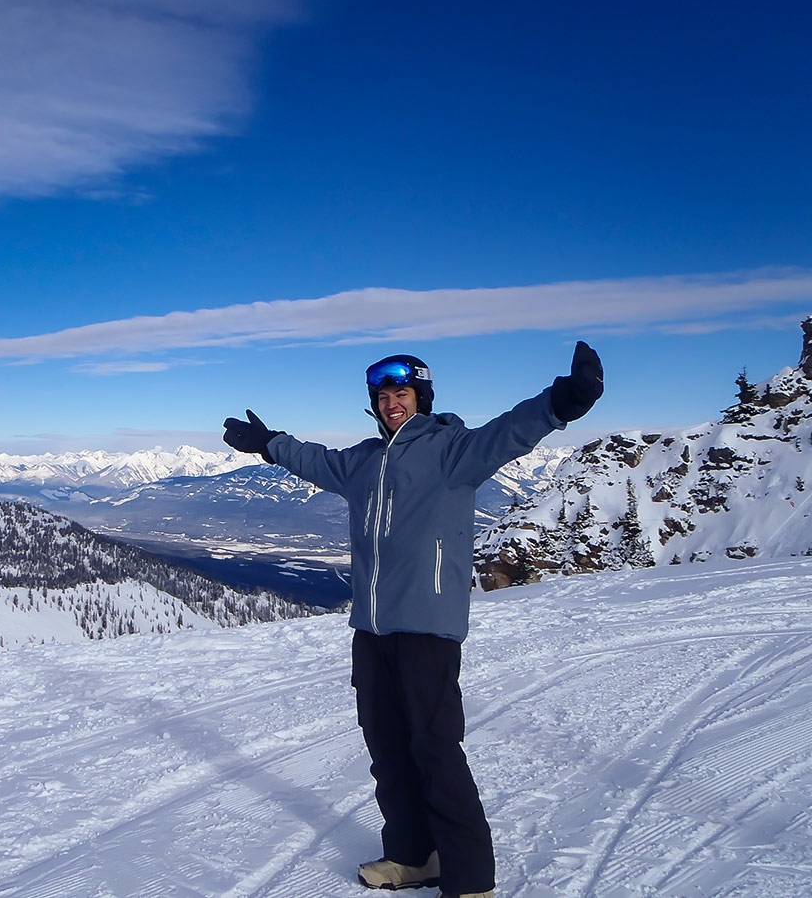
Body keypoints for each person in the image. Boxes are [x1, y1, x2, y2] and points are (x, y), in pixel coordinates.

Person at [222, 343, 603, 898]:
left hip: (428, 627)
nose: (391, 403)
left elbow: (510, 431)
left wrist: (563, 402)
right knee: (387, 748)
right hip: (372, 629)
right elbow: (315, 459)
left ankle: (470, 878)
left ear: (421, 398)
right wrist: (269, 444)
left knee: (435, 750)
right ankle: (412, 855)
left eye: (401, 393)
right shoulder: (362, 461)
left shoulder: (453, 451)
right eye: (382, 396)